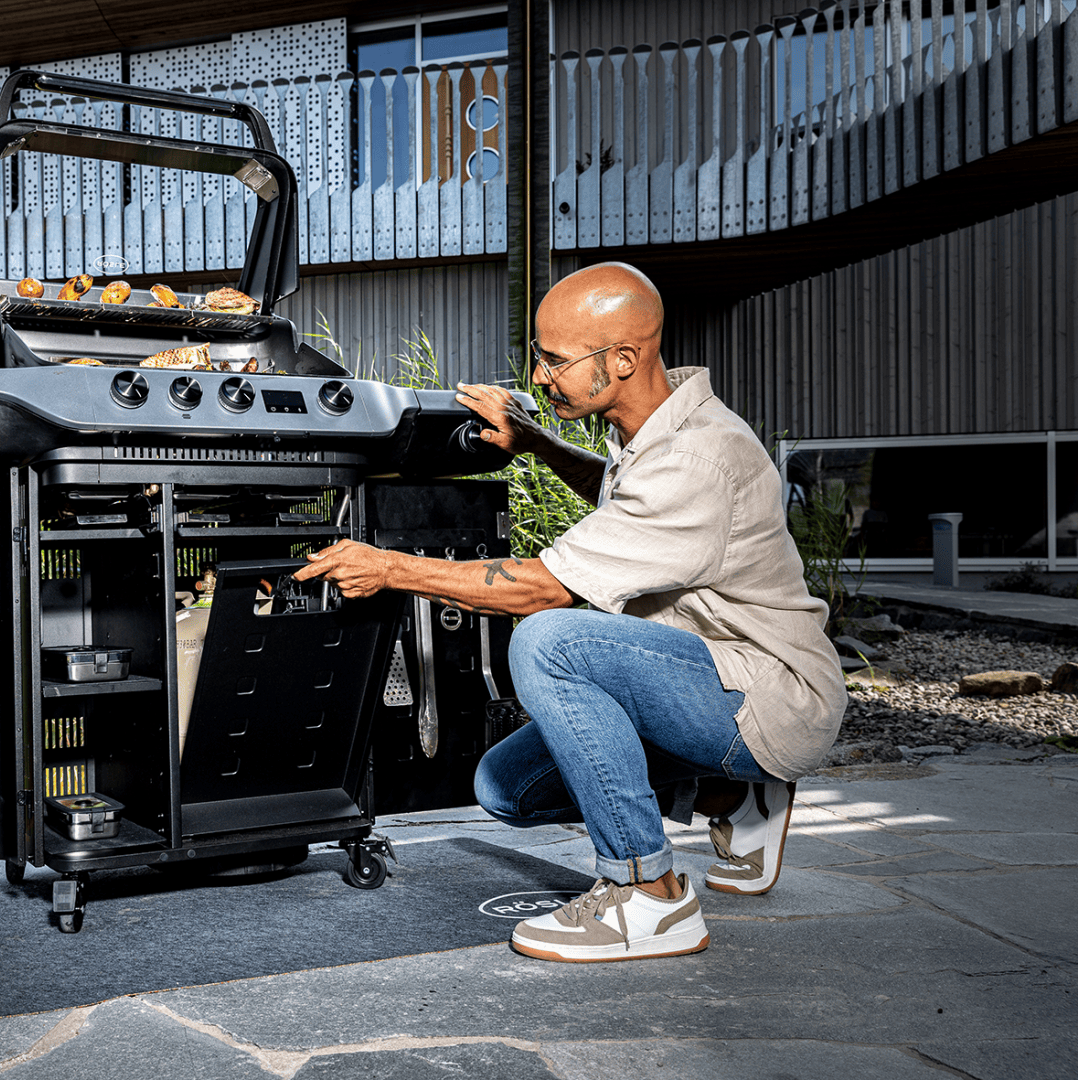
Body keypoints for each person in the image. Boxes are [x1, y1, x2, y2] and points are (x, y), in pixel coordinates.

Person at [292, 261, 846, 963]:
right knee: (506, 788)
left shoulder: (699, 457)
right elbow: (624, 502)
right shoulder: (654, 429)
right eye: (539, 356)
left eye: (555, 360)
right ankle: (728, 798)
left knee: (551, 641)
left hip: (772, 697)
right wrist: (537, 442)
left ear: (622, 359)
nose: (540, 376)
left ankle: (648, 894)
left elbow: (542, 588)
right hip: (700, 680)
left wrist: (391, 568)